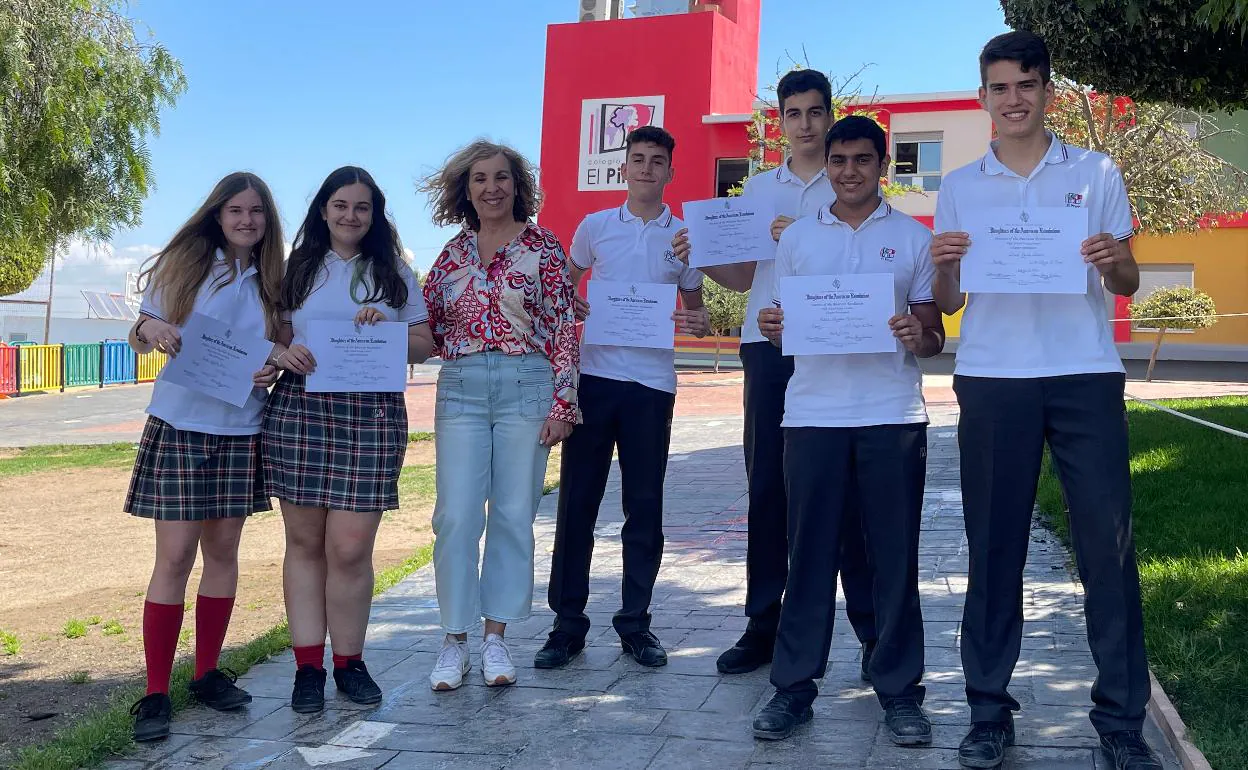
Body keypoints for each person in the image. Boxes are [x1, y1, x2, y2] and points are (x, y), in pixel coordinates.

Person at [931, 31, 1159, 770]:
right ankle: (989, 712)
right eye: (999, 87)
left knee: (1108, 547)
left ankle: (1122, 722)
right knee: (994, 549)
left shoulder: (1095, 171)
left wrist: (1116, 257)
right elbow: (950, 299)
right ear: (983, 98)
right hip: (994, 377)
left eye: (1026, 85)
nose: (1013, 99)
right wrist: (943, 267)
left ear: (1047, 92)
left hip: (1084, 374)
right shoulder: (961, 184)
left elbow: (1126, 284)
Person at [671, 68, 879, 678]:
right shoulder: (758, 190)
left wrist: (808, 235)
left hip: (834, 347)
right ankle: (764, 625)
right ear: (780, 122)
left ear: (829, 115)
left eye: (816, 113)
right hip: (767, 348)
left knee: (846, 492)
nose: (806, 125)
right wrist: (703, 258)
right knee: (766, 486)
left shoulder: (850, 182)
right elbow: (743, 278)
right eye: (794, 114)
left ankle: (870, 633)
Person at [750, 116, 944, 745]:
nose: (850, 170)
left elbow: (931, 328)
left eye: (863, 159)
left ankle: (901, 691)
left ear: (882, 165)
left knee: (894, 559)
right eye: (839, 160)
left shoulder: (914, 237)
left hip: (892, 415)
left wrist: (924, 334)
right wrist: (779, 325)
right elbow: (783, 316)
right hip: (813, 416)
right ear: (826, 164)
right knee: (806, 557)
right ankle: (793, 688)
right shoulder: (798, 238)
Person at [536, 126, 711, 670]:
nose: (646, 169)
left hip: (652, 387)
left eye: (657, 161)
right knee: (577, 505)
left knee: (644, 508)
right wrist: (573, 309)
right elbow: (563, 288)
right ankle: (567, 625)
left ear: (670, 172)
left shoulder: (685, 235)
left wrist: (696, 321)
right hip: (595, 381)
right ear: (624, 168)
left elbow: (699, 313)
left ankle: (635, 624)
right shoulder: (595, 228)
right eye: (637, 159)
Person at [262, 166, 434, 714]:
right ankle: (308, 667)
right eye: (341, 205)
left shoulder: (396, 273)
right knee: (306, 545)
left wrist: (387, 329)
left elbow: (427, 343)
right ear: (323, 210)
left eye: (362, 207)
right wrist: (281, 354)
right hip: (301, 411)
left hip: (372, 416)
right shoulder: (295, 271)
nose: (350, 216)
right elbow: (274, 336)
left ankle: (350, 663)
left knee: (351, 548)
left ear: (375, 214)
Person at [124, 172, 286, 742]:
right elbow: (139, 332)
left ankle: (208, 674)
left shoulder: (274, 281)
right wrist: (155, 327)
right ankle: (155, 692)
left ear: (267, 220)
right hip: (182, 425)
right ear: (217, 216)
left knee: (224, 555)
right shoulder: (185, 267)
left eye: (256, 212)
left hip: (241, 428)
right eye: (236, 211)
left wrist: (273, 368)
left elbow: (278, 350)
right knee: (173, 560)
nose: (246, 220)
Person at [419, 141, 579, 691]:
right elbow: (428, 330)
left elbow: (562, 327)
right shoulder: (450, 256)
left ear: (518, 186)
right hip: (461, 388)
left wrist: (564, 402)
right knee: (456, 516)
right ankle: (453, 640)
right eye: (480, 179)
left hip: (527, 387)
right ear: (465, 189)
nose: (492, 188)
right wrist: (367, 328)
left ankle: (495, 639)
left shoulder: (545, 247)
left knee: (513, 515)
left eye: (502, 178)